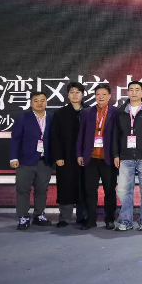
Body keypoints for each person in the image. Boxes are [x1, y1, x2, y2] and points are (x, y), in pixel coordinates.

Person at [112, 81, 142, 231]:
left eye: (137, 89)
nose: (134, 92)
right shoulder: (120, 111)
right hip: (125, 156)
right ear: (127, 92)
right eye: (131, 89)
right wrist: (116, 154)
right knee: (124, 190)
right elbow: (115, 135)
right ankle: (125, 221)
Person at [77, 83, 118, 230]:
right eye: (98, 94)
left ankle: (110, 219)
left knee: (110, 190)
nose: (100, 97)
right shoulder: (87, 112)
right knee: (90, 191)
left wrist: (117, 155)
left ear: (109, 96)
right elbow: (81, 134)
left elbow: (118, 136)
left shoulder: (116, 112)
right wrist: (79, 153)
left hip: (108, 158)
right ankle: (91, 220)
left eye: (103, 94)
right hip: (90, 158)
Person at [10, 91, 53, 230]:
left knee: (42, 189)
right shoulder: (23, 118)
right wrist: (13, 157)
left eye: (42, 100)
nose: (40, 103)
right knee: (23, 190)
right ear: (31, 103)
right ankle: (23, 217)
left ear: (46, 102)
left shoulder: (52, 118)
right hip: (25, 161)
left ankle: (39, 215)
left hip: (45, 161)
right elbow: (15, 139)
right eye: (36, 101)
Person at [50, 82, 87, 228]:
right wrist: (58, 156)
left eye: (78, 92)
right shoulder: (60, 113)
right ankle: (64, 217)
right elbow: (55, 137)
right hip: (65, 157)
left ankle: (83, 216)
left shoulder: (89, 111)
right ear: (68, 95)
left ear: (83, 94)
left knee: (84, 186)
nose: (75, 95)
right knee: (65, 186)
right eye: (72, 92)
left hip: (85, 157)